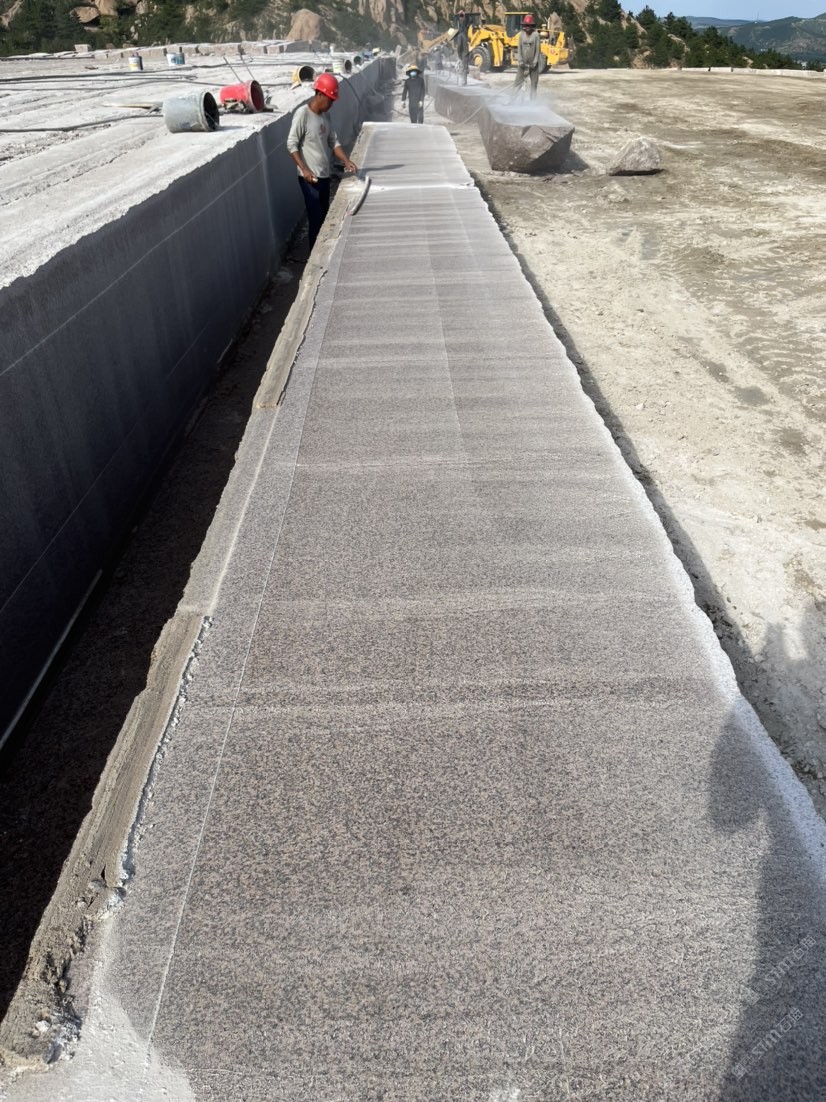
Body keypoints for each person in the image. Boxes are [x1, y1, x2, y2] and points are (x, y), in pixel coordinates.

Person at [287, 73, 358, 251]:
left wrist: (346, 160)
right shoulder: (303, 114)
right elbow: (291, 144)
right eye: (330, 100)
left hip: (324, 177)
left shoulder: (326, 117)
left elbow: (333, 141)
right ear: (319, 94)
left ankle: (322, 251)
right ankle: (314, 255)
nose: (331, 104)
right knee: (316, 218)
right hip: (309, 179)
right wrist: (304, 169)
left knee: (324, 219)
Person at [513, 14, 542, 100]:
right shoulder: (521, 35)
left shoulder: (536, 35)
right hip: (523, 63)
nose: (527, 27)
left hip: (533, 64)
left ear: (532, 25)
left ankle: (533, 101)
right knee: (517, 83)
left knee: (534, 84)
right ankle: (512, 100)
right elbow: (519, 48)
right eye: (526, 25)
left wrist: (535, 61)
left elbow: (538, 50)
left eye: (529, 25)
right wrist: (520, 60)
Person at [454, 14, 469, 85]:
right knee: (465, 67)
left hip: (463, 54)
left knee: (463, 67)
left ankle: (463, 81)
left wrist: (459, 55)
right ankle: (464, 81)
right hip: (466, 53)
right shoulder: (466, 35)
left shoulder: (460, 36)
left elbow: (459, 46)